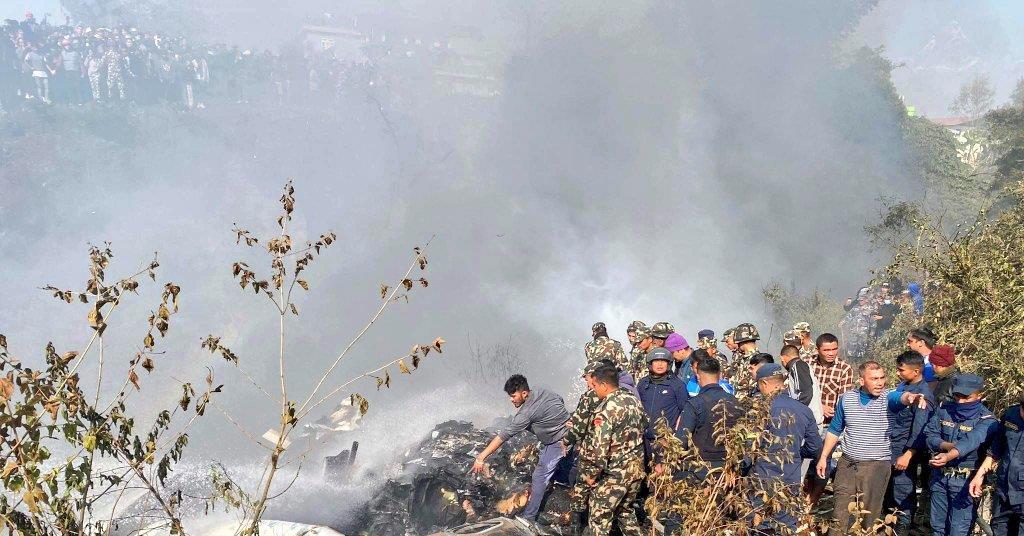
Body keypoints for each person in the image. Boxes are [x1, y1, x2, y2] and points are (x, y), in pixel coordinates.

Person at [815, 361, 928, 533]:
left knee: (869, 517)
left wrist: (910, 398)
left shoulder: (888, 398)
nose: (880, 383)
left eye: (882, 378)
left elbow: (900, 398)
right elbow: (835, 429)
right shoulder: (847, 399)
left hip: (876, 467)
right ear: (861, 380)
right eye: (874, 379)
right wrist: (823, 457)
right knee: (839, 514)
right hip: (847, 465)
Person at [472, 374, 570, 526]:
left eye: (513, 396)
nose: (511, 400)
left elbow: (504, 435)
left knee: (539, 476)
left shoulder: (526, 414)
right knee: (567, 468)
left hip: (558, 442)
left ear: (524, 393)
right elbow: (560, 399)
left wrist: (481, 457)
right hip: (571, 432)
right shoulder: (541, 390)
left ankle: (528, 518)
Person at [662, 356, 741, 536]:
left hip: (697, 469)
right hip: (725, 471)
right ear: (720, 375)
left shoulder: (695, 403)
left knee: (678, 516)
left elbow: (681, 440)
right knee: (717, 519)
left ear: (698, 376)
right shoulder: (735, 403)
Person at [750, 362, 822, 533]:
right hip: (790, 479)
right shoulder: (803, 410)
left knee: (760, 526)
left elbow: (748, 449)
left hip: (762, 479)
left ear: (764, 383)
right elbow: (815, 447)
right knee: (786, 527)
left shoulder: (758, 411)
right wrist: (796, 452)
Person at [577, 364, 647, 536]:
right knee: (625, 512)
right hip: (635, 469)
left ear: (604, 385)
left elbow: (600, 449)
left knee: (599, 517)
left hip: (615, 473)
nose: (593, 390)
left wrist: (592, 475)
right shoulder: (632, 399)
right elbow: (646, 423)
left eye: (595, 386)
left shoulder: (606, 409)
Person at [925, 374, 997, 536]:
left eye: (967, 397)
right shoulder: (944, 409)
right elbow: (930, 436)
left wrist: (948, 455)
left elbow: (971, 441)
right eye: (957, 396)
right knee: (937, 526)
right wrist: (946, 446)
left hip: (965, 482)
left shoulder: (987, 420)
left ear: (979, 395)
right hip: (940, 478)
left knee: (958, 530)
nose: (961, 402)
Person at [886, 351, 936, 536]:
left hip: (905, 451)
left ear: (916, 371)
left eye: (902, 370)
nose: (898, 373)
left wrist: (908, 454)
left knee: (903, 489)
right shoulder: (904, 386)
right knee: (891, 490)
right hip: (894, 446)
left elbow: (920, 430)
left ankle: (904, 526)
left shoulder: (923, 396)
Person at [969, 398, 1024, 536]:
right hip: (1004, 492)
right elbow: (995, 449)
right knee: (999, 529)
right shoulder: (1011, 414)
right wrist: (979, 476)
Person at [636, 348, 688, 460]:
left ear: (669, 364)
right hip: (644, 439)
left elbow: (684, 411)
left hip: (666, 440)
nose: (660, 364)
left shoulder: (677, 385)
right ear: (650, 364)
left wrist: (675, 436)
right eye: (656, 361)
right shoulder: (643, 383)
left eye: (663, 361)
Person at [779, 344, 822, 424]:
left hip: (807, 421)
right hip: (810, 420)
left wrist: (793, 412)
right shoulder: (800, 366)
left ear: (782, 358)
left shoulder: (797, 366)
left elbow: (805, 393)